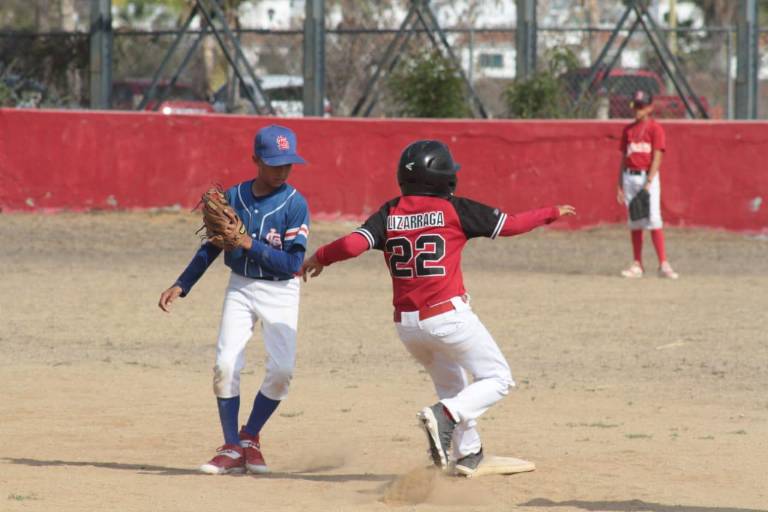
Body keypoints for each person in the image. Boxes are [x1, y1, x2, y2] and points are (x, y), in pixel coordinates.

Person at [300, 140, 575, 476]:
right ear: (444, 178)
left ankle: (467, 455)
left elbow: (352, 244)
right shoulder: (453, 209)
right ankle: (446, 417)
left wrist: (321, 257)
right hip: (447, 317)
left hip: (408, 326)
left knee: (452, 386)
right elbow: (512, 225)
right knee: (498, 378)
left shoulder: (390, 211)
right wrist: (551, 212)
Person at [158, 125, 310, 475]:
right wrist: (183, 284)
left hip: (281, 291)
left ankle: (250, 437)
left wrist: (248, 244)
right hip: (240, 287)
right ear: (255, 159)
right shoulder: (234, 197)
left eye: (287, 164)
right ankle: (230, 447)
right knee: (225, 365)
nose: (282, 170)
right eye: (274, 163)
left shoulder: (295, 205)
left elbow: (292, 264)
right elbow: (212, 246)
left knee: (282, 372)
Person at [617, 90, 679, 279]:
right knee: (635, 220)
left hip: (647, 178)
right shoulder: (628, 131)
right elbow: (623, 159)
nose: (638, 109)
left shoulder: (655, 129)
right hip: (630, 177)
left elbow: (657, 157)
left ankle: (663, 264)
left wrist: (649, 182)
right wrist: (619, 185)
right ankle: (637, 264)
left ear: (650, 107)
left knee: (653, 218)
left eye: (642, 106)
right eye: (636, 105)